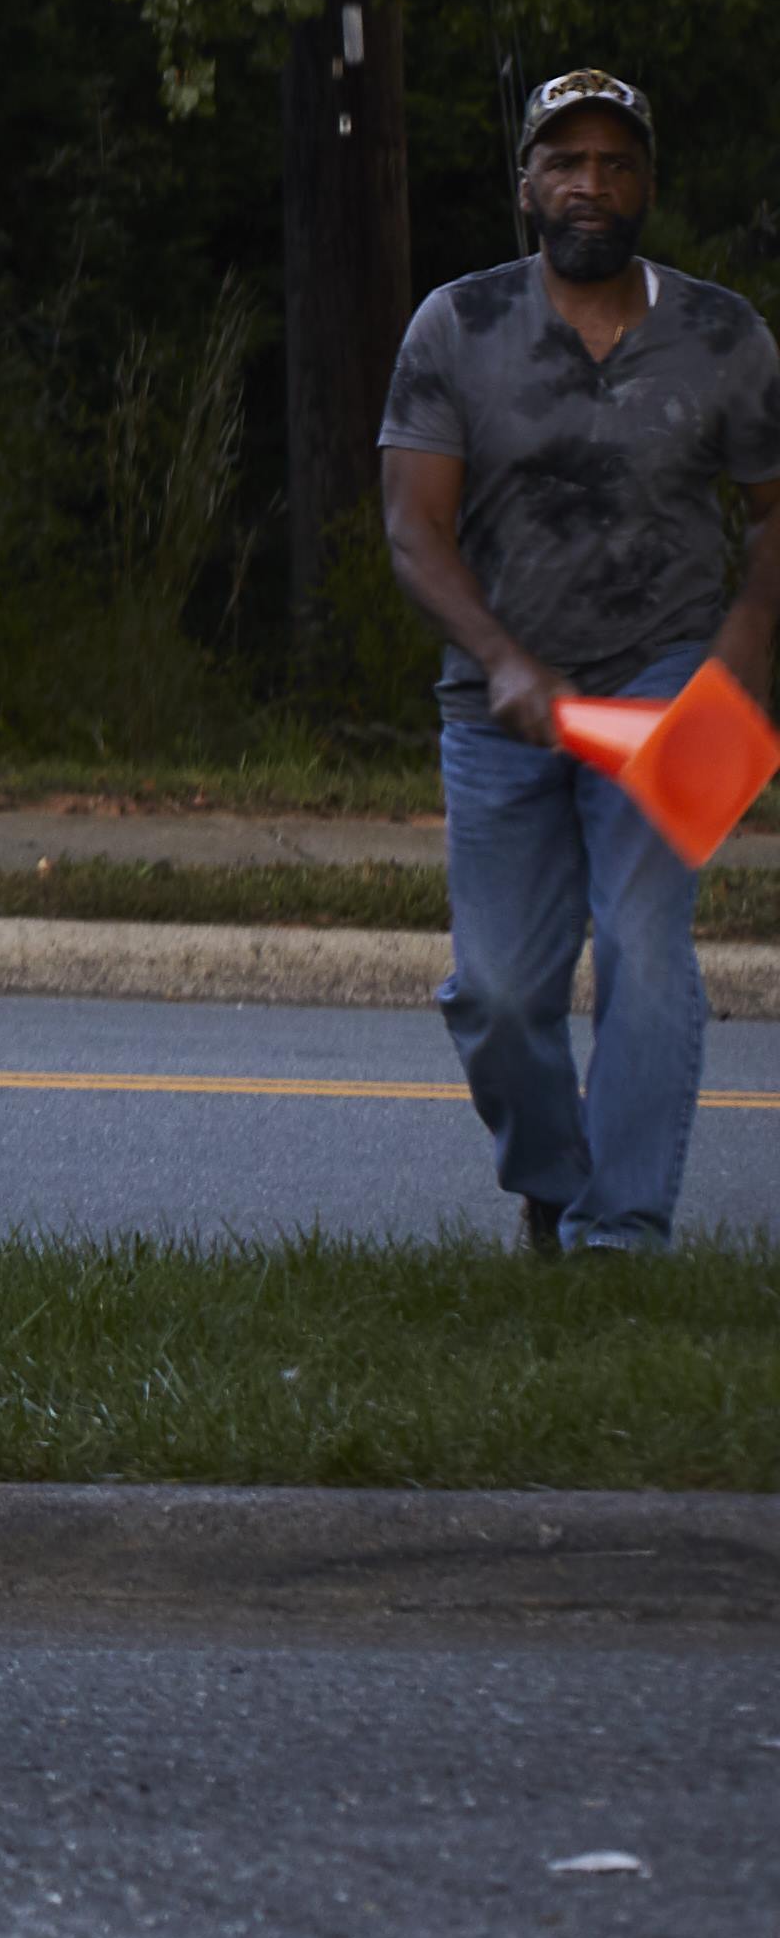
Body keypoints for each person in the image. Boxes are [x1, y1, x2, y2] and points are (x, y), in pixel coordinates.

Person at [376, 71, 780, 1256]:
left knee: (647, 951)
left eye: (615, 162)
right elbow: (413, 529)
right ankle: (554, 1184)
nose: (590, 184)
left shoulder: (725, 334)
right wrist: (502, 659)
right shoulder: (458, 325)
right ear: (527, 187)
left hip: (669, 681)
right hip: (496, 702)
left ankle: (622, 1236)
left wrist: (741, 651)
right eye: (566, 162)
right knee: (498, 992)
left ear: (647, 184)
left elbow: (773, 509)